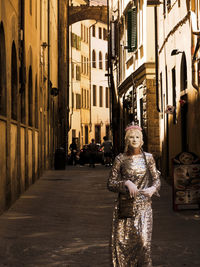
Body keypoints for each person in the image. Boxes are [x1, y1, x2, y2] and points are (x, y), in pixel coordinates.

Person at [107, 122, 161, 267]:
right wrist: (125, 183)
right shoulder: (120, 159)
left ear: (142, 140)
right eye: (131, 137)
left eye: (137, 137)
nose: (135, 139)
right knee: (123, 245)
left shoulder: (148, 158)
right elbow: (111, 183)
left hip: (144, 208)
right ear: (127, 140)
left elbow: (157, 179)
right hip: (125, 207)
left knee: (144, 243)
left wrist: (153, 189)